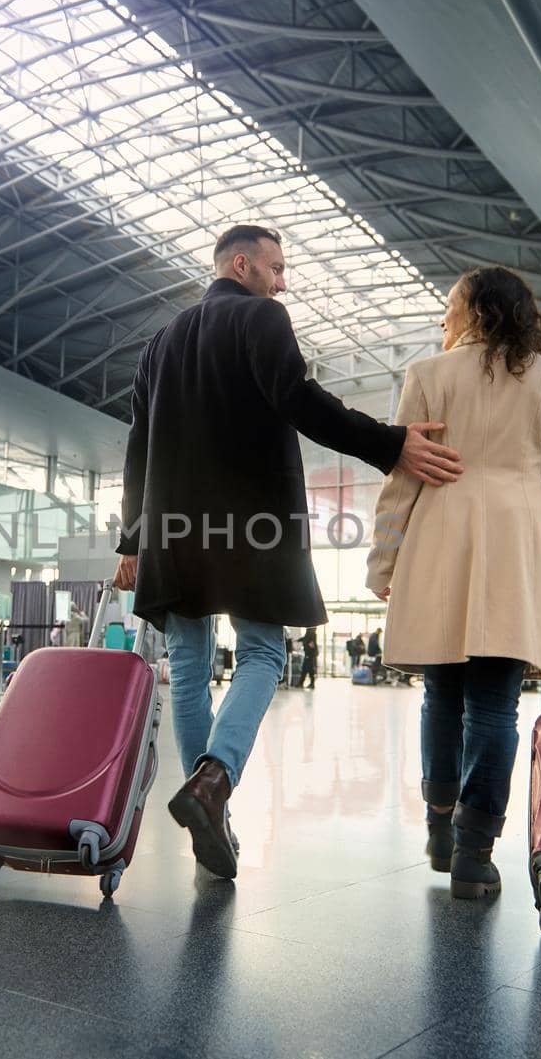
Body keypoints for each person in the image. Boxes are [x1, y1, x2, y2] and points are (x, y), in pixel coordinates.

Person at [114, 224, 463, 880]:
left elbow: (138, 443)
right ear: (240, 265)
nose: (284, 281)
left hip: (171, 530)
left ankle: (208, 811)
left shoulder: (158, 343)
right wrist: (390, 443)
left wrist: (133, 539)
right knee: (264, 652)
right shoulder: (260, 317)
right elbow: (298, 400)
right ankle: (212, 784)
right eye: (276, 268)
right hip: (249, 523)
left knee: (188, 666)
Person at [367, 265, 541, 901]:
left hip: (438, 545)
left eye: (450, 305)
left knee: (441, 698)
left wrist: (384, 561)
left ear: (478, 310)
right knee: (495, 707)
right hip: (519, 547)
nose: (443, 318)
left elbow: (404, 479)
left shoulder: (426, 376)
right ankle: (475, 853)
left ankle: (438, 824)